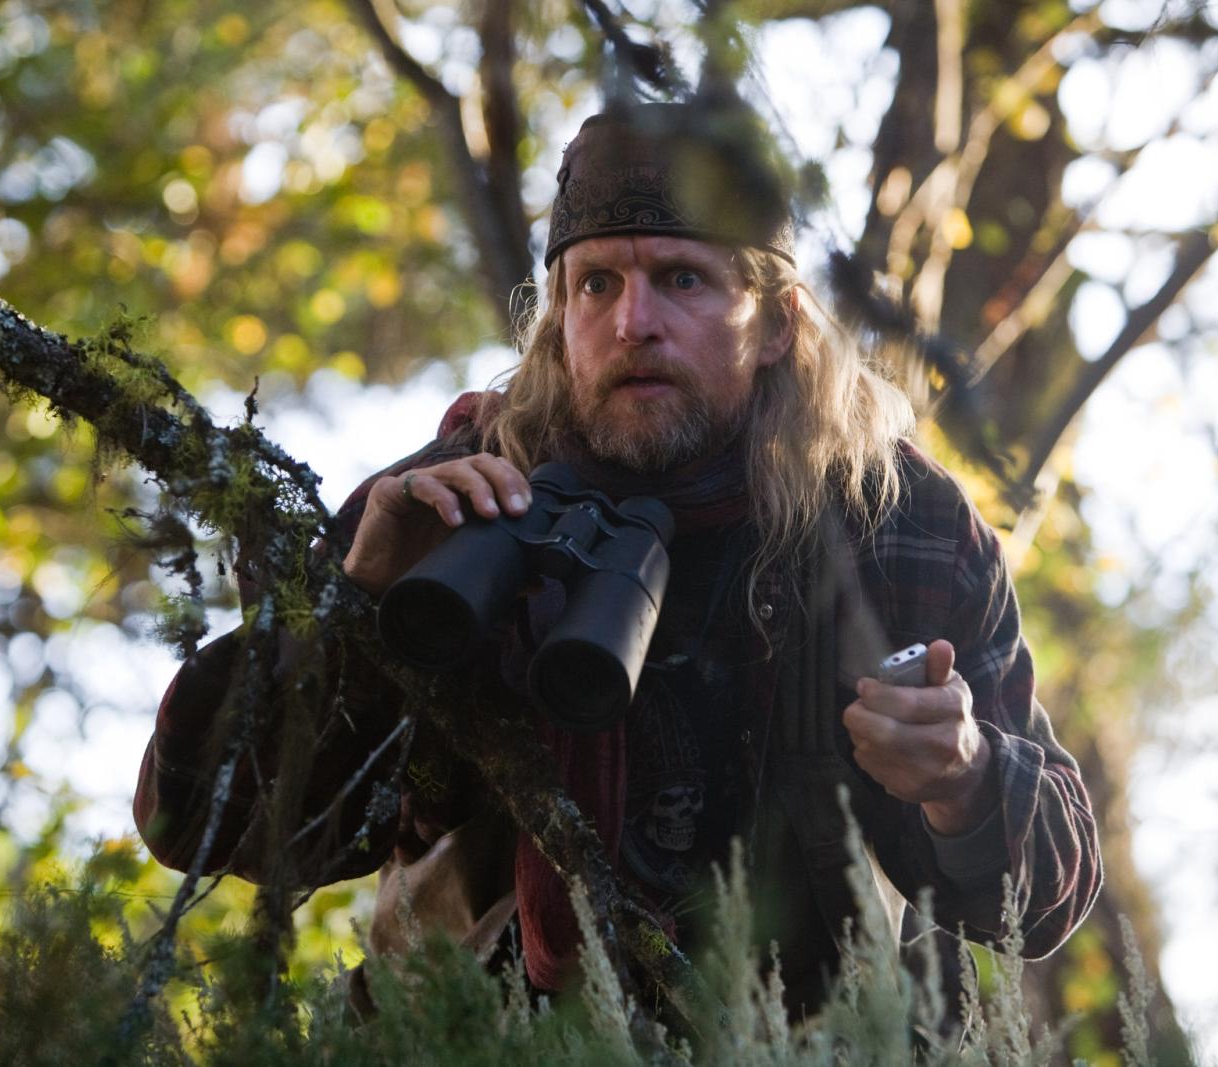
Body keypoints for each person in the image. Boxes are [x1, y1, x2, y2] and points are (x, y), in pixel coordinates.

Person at [133, 99, 1101, 1016]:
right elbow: (200, 817)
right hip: (476, 1038)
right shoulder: (451, 498)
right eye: (596, 283)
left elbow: (1052, 892)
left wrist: (964, 776)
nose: (633, 321)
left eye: (683, 279)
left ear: (775, 323)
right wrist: (355, 616)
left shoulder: (894, 520)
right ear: (559, 316)